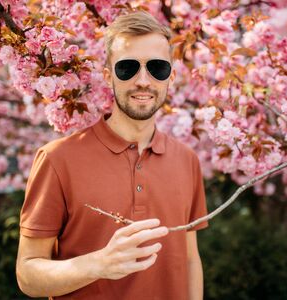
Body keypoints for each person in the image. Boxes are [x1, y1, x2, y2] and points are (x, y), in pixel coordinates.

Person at [16, 10, 208, 300]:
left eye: (157, 68)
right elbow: (28, 275)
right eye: (127, 68)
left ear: (171, 76)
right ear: (108, 76)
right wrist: (98, 264)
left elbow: (191, 259)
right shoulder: (57, 159)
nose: (143, 80)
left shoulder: (187, 160)